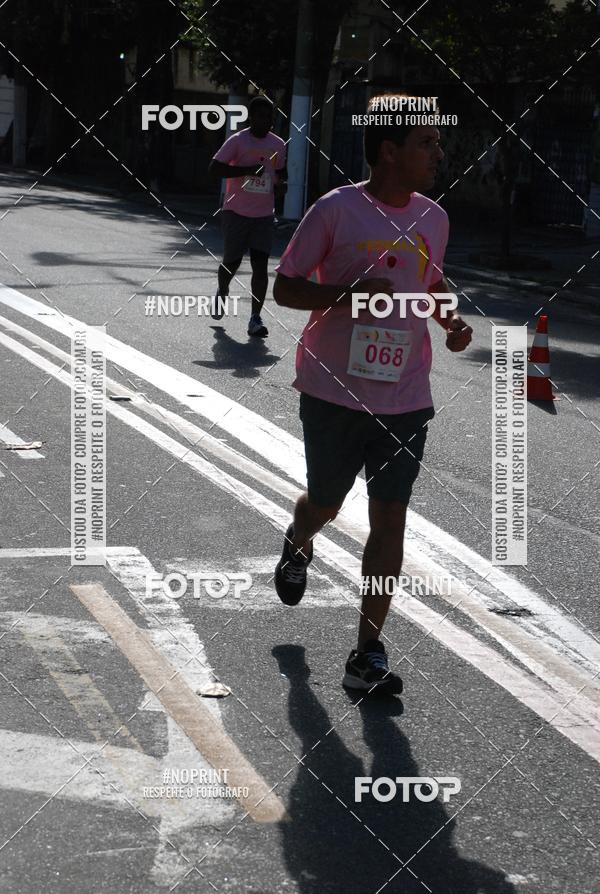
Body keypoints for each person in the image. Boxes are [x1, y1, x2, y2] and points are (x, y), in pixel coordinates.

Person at [272, 94, 473, 692]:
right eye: (426, 143)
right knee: (326, 503)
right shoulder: (335, 210)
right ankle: (298, 540)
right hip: (332, 390)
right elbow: (285, 289)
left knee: (390, 519)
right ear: (389, 151)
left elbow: (431, 281)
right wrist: (349, 295)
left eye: (437, 143)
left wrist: (450, 320)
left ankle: (367, 654)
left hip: (405, 397)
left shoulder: (434, 217)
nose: (438, 154)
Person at [208, 94, 287, 338]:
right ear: (251, 118)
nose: (266, 121)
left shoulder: (278, 144)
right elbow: (214, 168)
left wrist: (280, 187)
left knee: (260, 265)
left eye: (270, 117)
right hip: (236, 211)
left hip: (263, 214)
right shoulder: (238, 141)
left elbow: (279, 173)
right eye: (261, 117)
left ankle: (255, 318)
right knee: (231, 261)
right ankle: (223, 289)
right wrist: (247, 170)